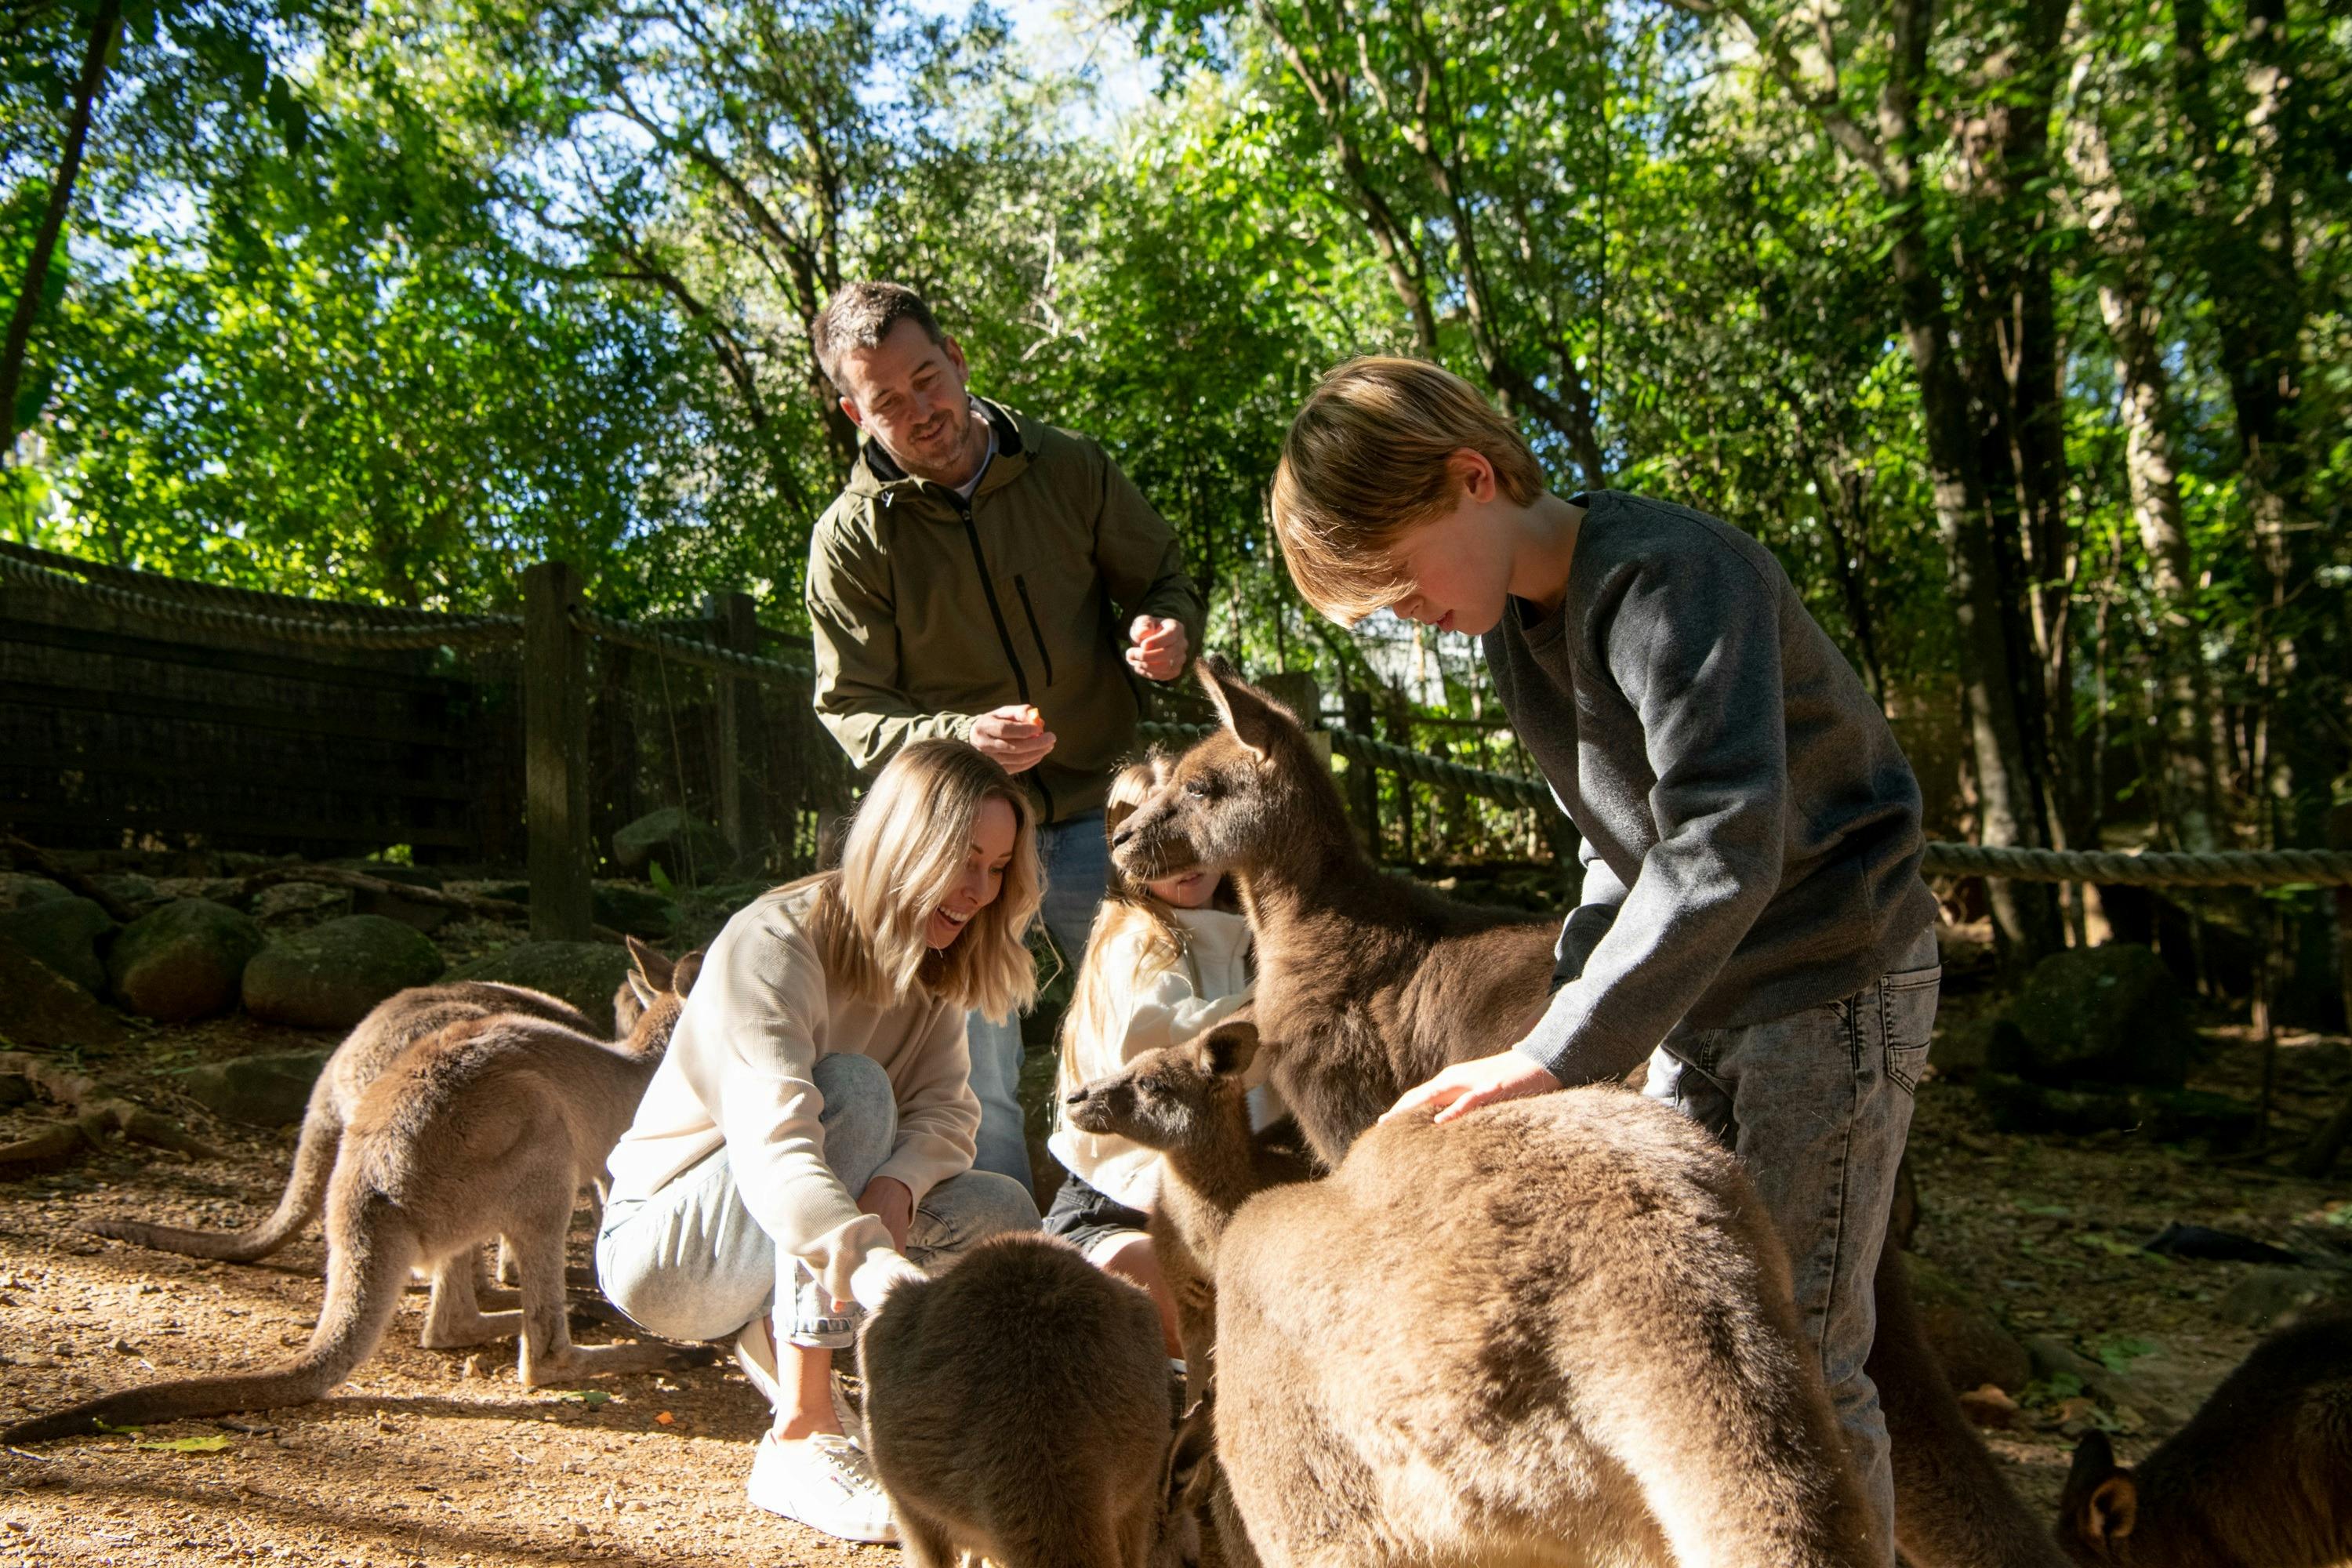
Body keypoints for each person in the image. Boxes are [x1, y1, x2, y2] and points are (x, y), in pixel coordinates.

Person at [1267, 356, 1941, 1566]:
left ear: (1472, 479)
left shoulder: (1666, 576)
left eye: (1400, 583)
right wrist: (1567, 1035)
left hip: (1829, 982)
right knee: (1701, 1335)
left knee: (1801, 1351)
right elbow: (1616, 852)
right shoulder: (1516, 635)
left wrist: (1556, 1051)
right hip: (1702, 1003)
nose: (1402, 617)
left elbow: (1723, 834)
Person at [804, 281, 1207, 1194]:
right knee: (972, 1067)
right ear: (852, 412)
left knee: (1159, 1007)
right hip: (966, 843)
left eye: (925, 378)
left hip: (1110, 810)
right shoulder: (849, 543)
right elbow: (852, 709)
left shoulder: (1070, 467)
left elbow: (1163, 579)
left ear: (958, 359)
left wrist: (1166, 631)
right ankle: (999, 1248)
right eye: (886, 402)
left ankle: (1171, 1221)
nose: (919, 411)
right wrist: (960, 737)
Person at [595, 740, 1045, 1545]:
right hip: (666, 1251)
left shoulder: (935, 958)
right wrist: (864, 1253)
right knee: (854, 1088)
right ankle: (803, 1429)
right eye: (964, 859)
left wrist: (898, 1187)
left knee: (1001, 1210)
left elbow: (948, 1112)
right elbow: (779, 1142)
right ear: (905, 844)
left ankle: (937, 1419)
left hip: (795, 1228)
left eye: (998, 867)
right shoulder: (772, 942)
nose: (979, 891)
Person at [1044, 753, 1269, 1356]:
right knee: (1199, 1313)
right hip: (1122, 1197)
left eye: (1193, 838)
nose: (1182, 859)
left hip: (1221, 1188)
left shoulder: (1244, 933)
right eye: (1156, 846)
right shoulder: (1135, 940)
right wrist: (1284, 997)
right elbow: (1165, 1047)